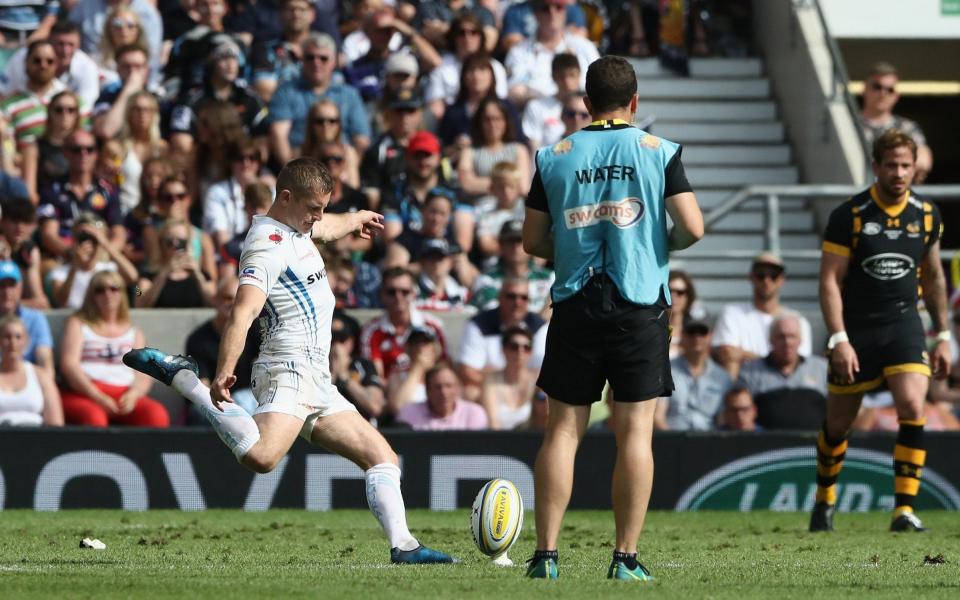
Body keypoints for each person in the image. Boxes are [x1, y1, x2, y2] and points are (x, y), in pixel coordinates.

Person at [123, 157, 455, 564]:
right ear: (285, 197)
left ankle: (404, 547)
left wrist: (355, 217)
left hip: (317, 377)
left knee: (382, 457)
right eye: (314, 208)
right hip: (287, 367)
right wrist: (226, 369)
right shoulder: (266, 246)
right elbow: (242, 312)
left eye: (322, 207)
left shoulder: (298, 227)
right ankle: (186, 381)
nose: (318, 217)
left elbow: (326, 228)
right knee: (262, 457)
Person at [521, 56, 703, 580]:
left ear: (585, 103)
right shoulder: (658, 151)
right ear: (636, 102)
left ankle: (546, 557)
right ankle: (624, 558)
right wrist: (656, 245)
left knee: (562, 432)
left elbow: (533, 241)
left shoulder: (554, 155)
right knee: (636, 435)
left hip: (576, 302)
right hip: (640, 303)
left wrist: (573, 247)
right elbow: (693, 226)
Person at [809, 129, 950, 534]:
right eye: (892, 165)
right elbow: (829, 281)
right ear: (876, 167)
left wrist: (942, 334)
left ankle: (903, 510)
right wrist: (838, 338)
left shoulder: (926, 215)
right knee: (838, 425)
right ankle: (824, 501)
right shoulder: (850, 216)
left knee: (912, 406)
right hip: (856, 328)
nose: (900, 173)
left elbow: (935, 275)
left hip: (905, 323)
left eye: (907, 165)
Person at [60, 270, 169, 427]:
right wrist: (96, 395)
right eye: (100, 290)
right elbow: (69, 365)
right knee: (94, 418)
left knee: (156, 415)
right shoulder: (78, 323)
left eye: (114, 288)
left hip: (124, 392)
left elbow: (145, 373)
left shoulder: (134, 332)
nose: (107, 294)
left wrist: (134, 394)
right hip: (85, 392)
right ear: (92, 295)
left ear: (122, 293)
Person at [268, 33, 371, 165]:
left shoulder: (349, 94)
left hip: (341, 164)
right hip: (301, 162)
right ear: (302, 60)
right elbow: (278, 135)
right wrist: (294, 174)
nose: (316, 63)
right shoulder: (286, 92)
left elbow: (362, 139)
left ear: (334, 62)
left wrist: (346, 172)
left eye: (323, 58)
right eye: (310, 57)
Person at [711, 252, 814, 378]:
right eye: (761, 275)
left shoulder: (798, 321)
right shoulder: (732, 313)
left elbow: (797, 363)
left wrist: (744, 355)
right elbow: (727, 354)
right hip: (744, 386)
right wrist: (775, 360)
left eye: (773, 275)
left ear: (782, 280)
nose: (766, 280)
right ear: (751, 277)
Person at [37, 130, 126, 261]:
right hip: (64, 258)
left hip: (101, 256)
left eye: (89, 149)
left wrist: (102, 256)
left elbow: (119, 233)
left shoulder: (108, 190)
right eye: (76, 149)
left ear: (96, 154)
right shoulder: (51, 190)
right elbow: (49, 235)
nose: (83, 154)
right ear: (65, 153)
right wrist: (74, 255)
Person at [184, 276, 260, 421]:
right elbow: (201, 385)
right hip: (214, 401)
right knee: (200, 412)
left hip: (250, 398)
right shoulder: (198, 339)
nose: (233, 303)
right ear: (215, 299)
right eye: (227, 297)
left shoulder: (257, 331)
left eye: (239, 299)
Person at [457, 277, 546, 401]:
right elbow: (468, 372)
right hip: (488, 390)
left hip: (528, 391)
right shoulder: (479, 324)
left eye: (523, 297)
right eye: (511, 296)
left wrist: (492, 372)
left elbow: (544, 372)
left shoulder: (539, 326)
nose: (517, 302)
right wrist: (501, 384)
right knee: (470, 392)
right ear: (500, 298)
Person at [737, 314, 828, 430]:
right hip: (766, 444)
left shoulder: (822, 369)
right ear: (770, 340)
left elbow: (838, 412)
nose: (787, 342)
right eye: (781, 337)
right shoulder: (750, 372)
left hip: (812, 444)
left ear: (801, 340)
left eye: (792, 336)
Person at [504, 0, 599, 107]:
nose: (552, 13)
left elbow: (600, 86)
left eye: (558, 7)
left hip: (579, 115)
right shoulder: (519, 52)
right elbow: (513, 92)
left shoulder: (584, 47)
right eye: (545, 8)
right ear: (536, 13)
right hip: (536, 117)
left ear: (565, 12)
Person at [360, 266, 448, 379]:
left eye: (405, 292)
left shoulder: (432, 326)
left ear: (414, 294)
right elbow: (376, 378)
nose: (398, 297)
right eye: (391, 292)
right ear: (382, 294)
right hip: (389, 392)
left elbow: (443, 367)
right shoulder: (371, 331)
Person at [860, 62, 933, 183]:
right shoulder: (846, 124)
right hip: (855, 194)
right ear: (865, 89)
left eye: (890, 89)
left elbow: (923, 161)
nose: (883, 93)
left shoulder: (907, 127)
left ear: (896, 96)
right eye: (877, 87)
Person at [47, 214, 139, 310]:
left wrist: (103, 242)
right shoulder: (60, 272)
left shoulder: (109, 269)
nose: (88, 244)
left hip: (105, 321)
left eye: (93, 239)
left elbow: (133, 277)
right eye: (82, 238)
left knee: (139, 291)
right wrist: (76, 264)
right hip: (76, 320)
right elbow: (61, 301)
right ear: (74, 241)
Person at [654, 319, 731, 431]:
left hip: (710, 441)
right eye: (691, 333)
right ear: (682, 336)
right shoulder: (665, 372)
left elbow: (723, 420)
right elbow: (658, 418)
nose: (697, 338)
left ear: (710, 337)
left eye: (702, 333)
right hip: (673, 438)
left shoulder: (723, 378)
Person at [471, 219, 554, 314]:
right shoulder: (486, 280)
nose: (515, 247)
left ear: (529, 245)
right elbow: (488, 316)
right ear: (501, 245)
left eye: (520, 241)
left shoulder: (550, 278)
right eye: (510, 241)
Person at [135, 218, 216, 308]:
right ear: (161, 244)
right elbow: (139, 301)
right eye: (169, 242)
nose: (175, 247)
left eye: (182, 242)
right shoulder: (145, 278)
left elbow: (215, 304)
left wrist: (198, 275)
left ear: (189, 244)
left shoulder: (205, 277)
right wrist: (164, 274)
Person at [0, 315, 63, 426]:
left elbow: (56, 424)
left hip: (35, 439)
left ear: (26, 342)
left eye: (18, 337)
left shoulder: (41, 376)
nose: (13, 343)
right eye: (7, 337)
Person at [395, 363, 488, 430]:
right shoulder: (409, 413)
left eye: (449, 386)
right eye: (437, 387)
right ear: (427, 391)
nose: (444, 392)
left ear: (458, 388)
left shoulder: (474, 413)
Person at [0, 260, 54, 371]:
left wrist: (46, 384)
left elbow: (45, 361)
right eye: (1, 286)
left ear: (20, 287)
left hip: (28, 382)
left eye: (12, 285)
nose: (7, 291)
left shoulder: (35, 318)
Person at [480, 326, 537, 430]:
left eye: (527, 347)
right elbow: (493, 422)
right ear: (503, 350)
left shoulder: (538, 382)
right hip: (499, 441)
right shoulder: (491, 382)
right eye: (514, 346)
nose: (520, 351)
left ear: (531, 352)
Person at [521, 53, 581, 151]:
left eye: (572, 75)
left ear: (579, 75)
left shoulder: (590, 107)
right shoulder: (536, 107)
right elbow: (534, 147)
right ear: (553, 77)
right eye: (562, 76)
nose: (567, 82)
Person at [301, 100, 361, 189]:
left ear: (339, 124)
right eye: (319, 121)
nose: (326, 125)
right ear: (311, 124)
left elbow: (354, 188)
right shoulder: (301, 153)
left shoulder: (348, 153)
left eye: (332, 121)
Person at [0, 198, 48, 309]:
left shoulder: (29, 252)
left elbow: (41, 303)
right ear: (2, 222)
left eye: (25, 221)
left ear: (33, 226)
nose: (19, 227)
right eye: (14, 221)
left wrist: (10, 262)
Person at [667, 270, 697, 358]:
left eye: (680, 292)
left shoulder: (696, 328)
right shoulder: (653, 326)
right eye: (669, 291)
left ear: (688, 297)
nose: (673, 296)